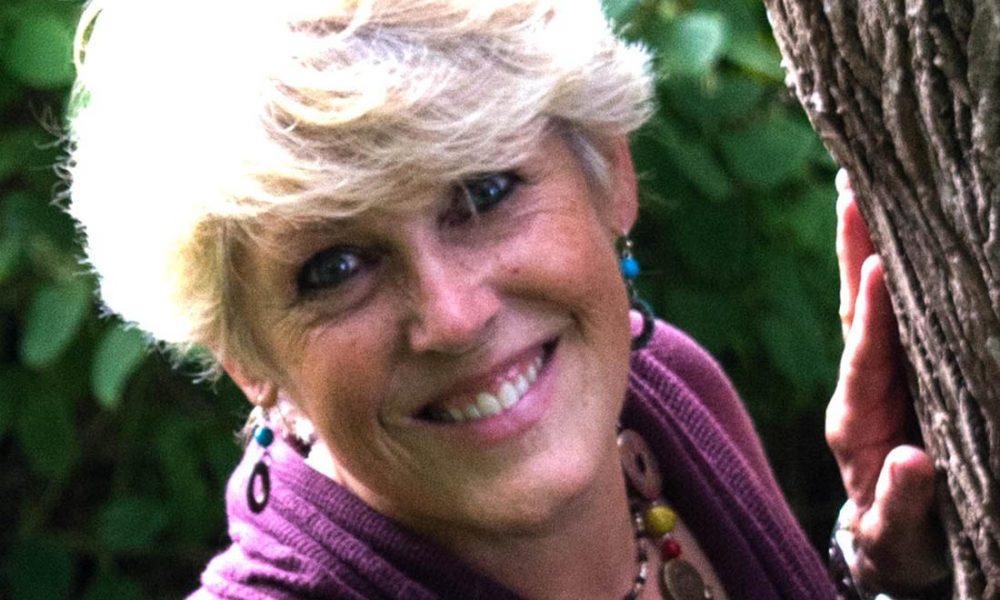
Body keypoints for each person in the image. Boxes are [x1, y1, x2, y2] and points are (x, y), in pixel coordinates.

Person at [65, 0, 948, 597]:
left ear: (611, 171)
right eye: (335, 267)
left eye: (483, 193)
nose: (452, 317)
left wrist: (879, 573)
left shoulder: (665, 393)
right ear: (247, 358)